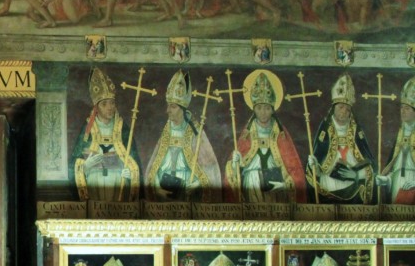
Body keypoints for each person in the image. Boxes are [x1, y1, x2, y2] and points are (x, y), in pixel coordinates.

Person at [225, 70, 306, 203]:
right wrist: (235, 163)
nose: (263, 112)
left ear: (273, 109)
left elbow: (293, 168)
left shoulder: (281, 134)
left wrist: (285, 185)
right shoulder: (247, 134)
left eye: (267, 108)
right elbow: (234, 173)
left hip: (276, 187)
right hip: (251, 185)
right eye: (259, 108)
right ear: (254, 109)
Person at [144, 70, 221, 202]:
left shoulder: (196, 132)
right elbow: (154, 167)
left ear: (182, 109)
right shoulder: (166, 132)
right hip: (163, 194)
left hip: (187, 194)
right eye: (168, 106)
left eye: (172, 107)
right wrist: (156, 187)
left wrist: (196, 185)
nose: (167, 110)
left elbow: (211, 171)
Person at [72, 67, 141, 201]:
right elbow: (75, 160)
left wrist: (130, 173)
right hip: (94, 181)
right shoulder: (88, 128)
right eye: (104, 104)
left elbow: (133, 159)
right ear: (96, 107)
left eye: (112, 103)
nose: (110, 107)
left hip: (117, 180)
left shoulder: (123, 128)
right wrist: (85, 167)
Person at [306, 73, 376, 204]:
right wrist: (315, 166)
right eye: (340, 107)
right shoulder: (325, 131)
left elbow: (369, 164)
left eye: (347, 109)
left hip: (353, 190)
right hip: (327, 187)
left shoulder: (357, 132)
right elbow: (317, 165)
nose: (344, 111)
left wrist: (356, 175)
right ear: (334, 109)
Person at [376, 77, 415, 204]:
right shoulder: (400, 135)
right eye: (401, 107)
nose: (402, 111)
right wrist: (386, 180)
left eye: (407, 108)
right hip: (398, 184)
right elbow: (397, 170)